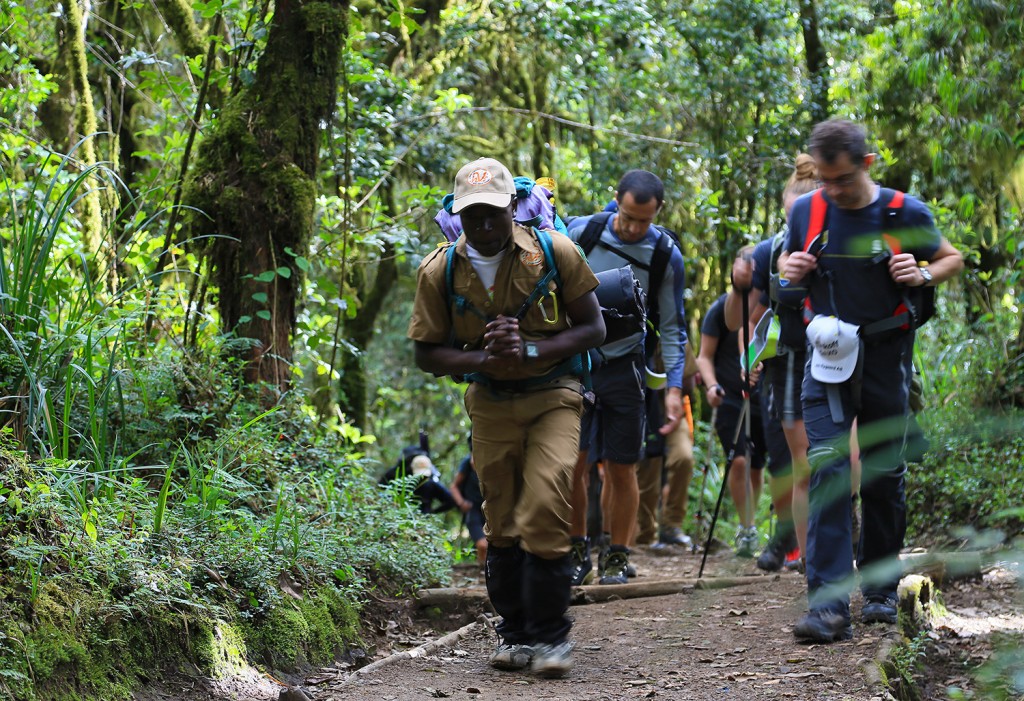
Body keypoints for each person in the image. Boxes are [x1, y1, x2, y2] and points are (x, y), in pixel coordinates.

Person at [408, 156, 605, 676]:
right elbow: (427, 353)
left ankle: (551, 636)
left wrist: (533, 353)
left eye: (494, 214)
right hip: (491, 401)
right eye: (473, 217)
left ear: (512, 207)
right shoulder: (440, 269)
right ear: (459, 214)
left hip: (555, 393)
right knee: (500, 517)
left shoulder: (554, 251)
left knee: (544, 499)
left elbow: (593, 329)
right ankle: (515, 631)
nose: (485, 226)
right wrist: (483, 360)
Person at [778, 119, 963, 643]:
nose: (831, 190)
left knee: (883, 475)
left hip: (886, 357)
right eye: (823, 179)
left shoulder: (904, 211)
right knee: (829, 469)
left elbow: (952, 257)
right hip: (828, 359)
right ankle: (828, 607)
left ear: (866, 164)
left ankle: (880, 589)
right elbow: (789, 285)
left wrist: (922, 272)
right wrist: (790, 271)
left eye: (839, 179)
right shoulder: (806, 211)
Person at [564, 170, 689, 585]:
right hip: (578, 364)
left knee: (622, 467)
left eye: (644, 220)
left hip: (627, 367)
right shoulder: (582, 232)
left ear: (658, 212)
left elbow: (672, 327)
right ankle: (577, 551)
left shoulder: (664, 254)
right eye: (628, 216)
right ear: (615, 199)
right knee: (574, 463)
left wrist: (674, 388)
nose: (634, 227)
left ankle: (617, 556)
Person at [725, 154, 820, 571]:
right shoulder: (769, 251)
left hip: (838, 359)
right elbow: (742, 319)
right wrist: (739, 284)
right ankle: (795, 545)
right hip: (785, 367)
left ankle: (831, 539)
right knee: (789, 461)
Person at [695, 280, 768, 557]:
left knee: (756, 465)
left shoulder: (769, 309)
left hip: (762, 397)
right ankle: (747, 528)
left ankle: (747, 524)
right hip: (729, 398)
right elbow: (705, 356)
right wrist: (712, 386)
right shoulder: (720, 311)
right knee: (738, 461)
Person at [635, 344, 698, 549]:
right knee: (647, 471)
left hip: (674, 410)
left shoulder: (677, 337)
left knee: (684, 457)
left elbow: (689, 382)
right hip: (642, 410)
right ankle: (645, 533)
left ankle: (672, 525)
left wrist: (676, 398)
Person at [378, 447, 458, 515]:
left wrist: (432, 512)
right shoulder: (396, 476)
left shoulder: (431, 484)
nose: (422, 478)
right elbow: (380, 491)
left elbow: (450, 501)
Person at [451, 438, 488, 565]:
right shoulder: (466, 463)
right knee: (482, 545)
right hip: (473, 509)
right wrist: (461, 502)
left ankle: (485, 570)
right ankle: (482, 569)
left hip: (490, 508)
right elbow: (454, 486)